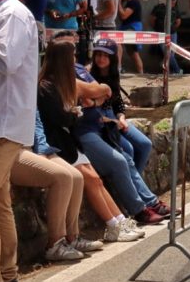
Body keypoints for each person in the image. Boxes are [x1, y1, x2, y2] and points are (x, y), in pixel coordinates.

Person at [37, 39, 143, 244]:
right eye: (72, 57)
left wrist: (79, 110)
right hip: (57, 142)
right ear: (63, 60)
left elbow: (101, 92)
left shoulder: (65, 83)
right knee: (91, 179)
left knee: (96, 178)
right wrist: (76, 113)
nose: (75, 60)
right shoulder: (46, 86)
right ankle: (112, 225)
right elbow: (61, 117)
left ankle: (119, 222)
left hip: (69, 140)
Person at [0, 0, 39, 282]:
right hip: (0, 123)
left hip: (2, 125)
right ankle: (7, 279)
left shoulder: (11, 14)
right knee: (0, 204)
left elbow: (4, 60)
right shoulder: (3, 11)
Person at [10, 111, 103, 262]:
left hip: (34, 147)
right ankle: (55, 243)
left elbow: (36, 121)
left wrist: (41, 149)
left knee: (77, 177)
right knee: (62, 177)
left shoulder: (28, 89)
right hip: (11, 148)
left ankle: (72, 237)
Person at [88, 39, 153, 175]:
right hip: (100, 121)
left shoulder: (114, 73)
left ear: (112, 57)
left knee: (145, 144)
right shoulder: (87, 74)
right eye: (98, 54)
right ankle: (133, 188)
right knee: (128, 148)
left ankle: (137, 182)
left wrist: (121, 117)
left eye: (105, 55)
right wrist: (111, 121)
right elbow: (88, 107)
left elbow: (118, 102)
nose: (101, 59)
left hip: (114, 116)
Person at [149, 0, 182, 75]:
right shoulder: (159, 8)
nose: (173, 4)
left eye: (175, 2)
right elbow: (152, 19)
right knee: (167, 53)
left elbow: (178, 21)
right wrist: (157, 28)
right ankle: (177, 70)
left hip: (172, 34)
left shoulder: (175, 10)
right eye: (172, 2)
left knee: (171, 53)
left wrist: (173, 28)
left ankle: (170, 71)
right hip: (161, 34)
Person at [118, 0, 144, 73]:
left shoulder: (134, 2)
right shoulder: (128, 3)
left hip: (132, 28)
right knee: (133, 53)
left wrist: (118, 3)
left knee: (118, 41)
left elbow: (124, 16)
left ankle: (119, 67)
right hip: (128, 28)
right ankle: (141, 72)